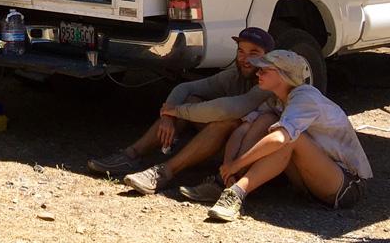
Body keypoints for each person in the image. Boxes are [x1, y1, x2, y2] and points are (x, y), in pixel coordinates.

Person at [87, 27, 277, 195]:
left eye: (254, 53)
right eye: (241, 51)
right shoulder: (234, 75)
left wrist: (178, 111)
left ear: (268, 56)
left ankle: (164, 172)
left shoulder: (269, 80)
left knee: (227, 121)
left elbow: (230, 109)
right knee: (191, 99)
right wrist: (168, 116)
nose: (245, 58)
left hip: (253, 153)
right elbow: (185, 88)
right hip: (227, 145)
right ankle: (131, 155)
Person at [204, 50, 372, 222]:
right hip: (311, 180)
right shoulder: (277, 100)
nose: (257, 73)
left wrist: (237, 163)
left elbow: (279, 139)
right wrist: (228, 166)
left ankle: (236, 192)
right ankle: (225, 182)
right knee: (266, 119)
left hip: (347, 185)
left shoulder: (305, 97)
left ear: (283, 76)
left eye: (264, 70)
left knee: (289, 138)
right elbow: (242, 130)